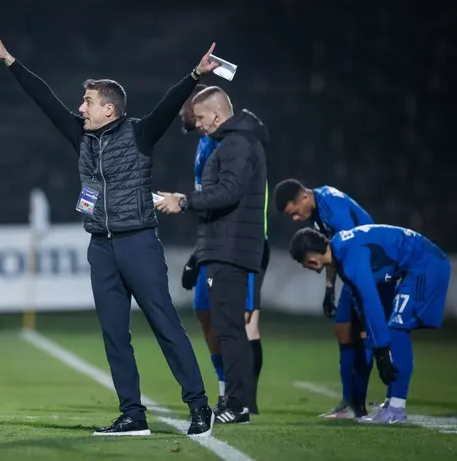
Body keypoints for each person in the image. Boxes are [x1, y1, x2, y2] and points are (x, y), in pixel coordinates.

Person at [0, 27, 219, 436]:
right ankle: (132, 414)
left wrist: (195, 75)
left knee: (165, 326)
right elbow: (45, 100)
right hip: (101, 248)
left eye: (88, 101)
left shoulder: (139, 133)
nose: (81, 107)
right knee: (114, 335)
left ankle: (199, 406)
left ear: (109, 109)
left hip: (138, 242)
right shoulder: (81, 136)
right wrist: (9, 61)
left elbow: (168, 105)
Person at [156, 86, 268, 424]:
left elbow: (229, 192)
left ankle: (238, 404)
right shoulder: (235, 142)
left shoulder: (236, 144)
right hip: (224, 246)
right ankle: (236, 401)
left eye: (201, 117)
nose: (198, 124)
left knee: (230, 329)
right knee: (226, 327)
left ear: (217, 115)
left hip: (231, 249)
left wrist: (184, 201)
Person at [288, 225, 451, 424]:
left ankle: (396, 409)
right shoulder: (341, 250)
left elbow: (370, 301)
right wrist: (376, 343)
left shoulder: (350, 258)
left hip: (426, 264)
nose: (304, 267)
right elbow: (362, 304)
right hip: (419, 264)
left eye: (302, 262)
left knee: (397, 327)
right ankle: (391, 403)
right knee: (393, 327)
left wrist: (381, 350)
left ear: (312, 259)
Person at [274, 179, 389, 418]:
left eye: (295, 212)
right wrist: (329, 288)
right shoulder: (317, 210)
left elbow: (350, 247)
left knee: (364, 334)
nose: (296, 219)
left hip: (371, 271)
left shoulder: (332, 207)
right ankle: (349, 402)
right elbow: (331, 251)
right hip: (354, 270)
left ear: (304, 197)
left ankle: (361, 402)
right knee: (343, 330)